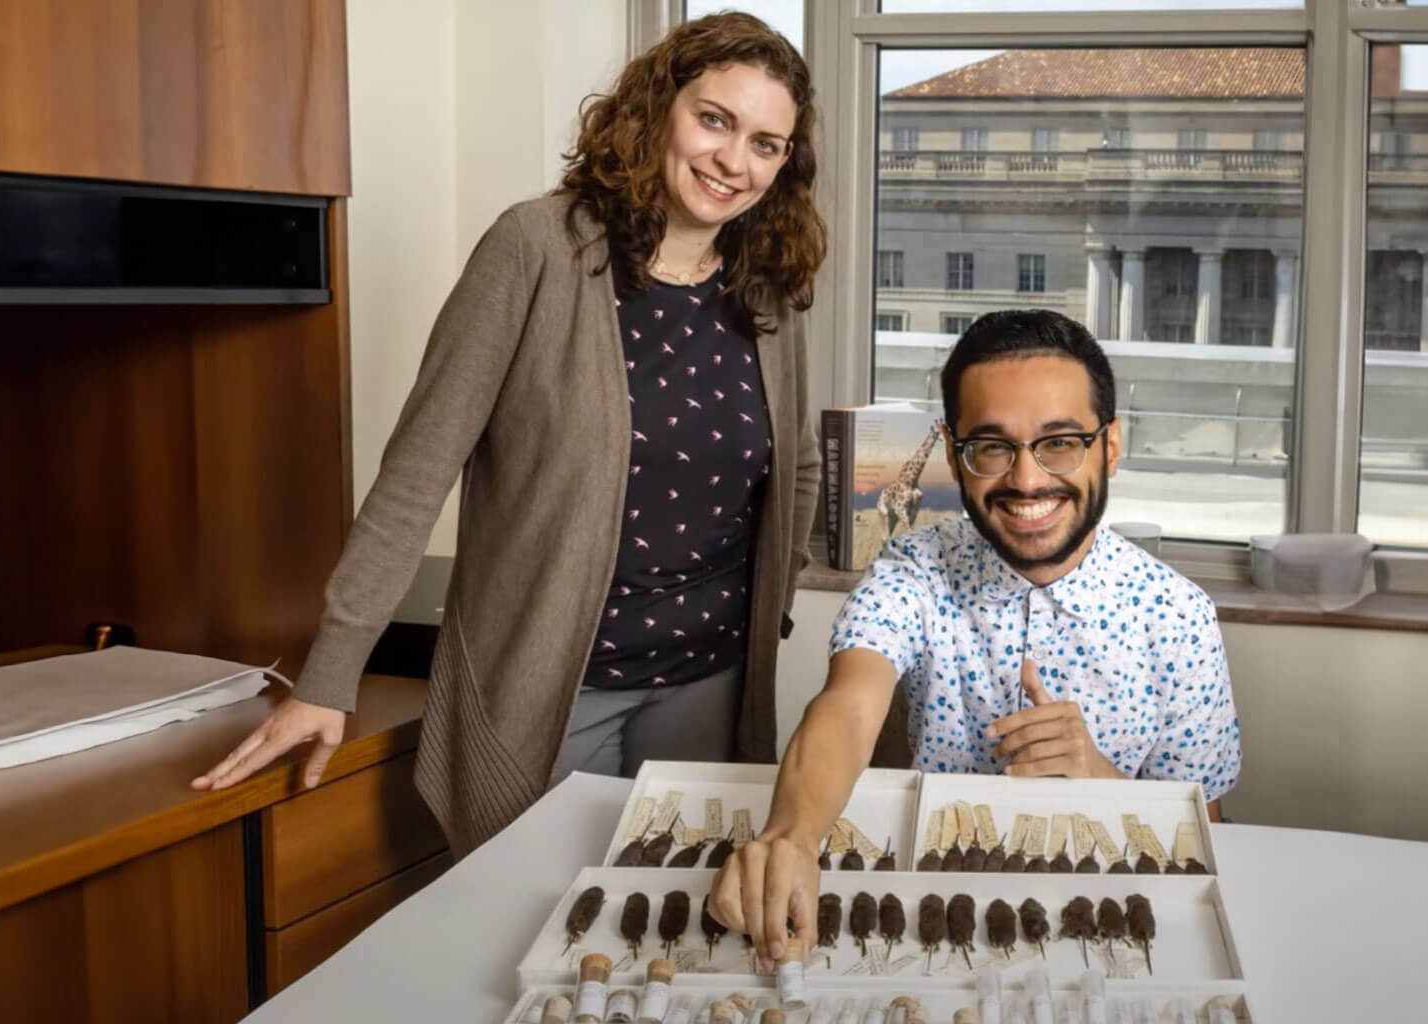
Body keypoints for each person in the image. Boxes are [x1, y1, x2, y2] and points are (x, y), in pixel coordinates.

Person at [192, 12, 827, 857]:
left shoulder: (766, 294)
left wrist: (770, 609)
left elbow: (801, 466)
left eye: (766, 143)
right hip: (555, 687)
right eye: (714, 119)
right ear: (657, 108)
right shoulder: (537, 248)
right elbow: (417, 472)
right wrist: (330, 676)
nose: (733, 161)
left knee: (670, 937)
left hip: (709, 682)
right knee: (530, 924)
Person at [708, 309, 1241, 961]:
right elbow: (848, 705)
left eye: (1060, 442)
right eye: (992, 447)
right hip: (931, 921)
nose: (1025, 479)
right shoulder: (912, 568)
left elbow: (1207, 839)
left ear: (1110, 446)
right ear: (956, 458)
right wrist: (790, 836)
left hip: (1114, 931)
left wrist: (1102, 780)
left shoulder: (1180, 617)